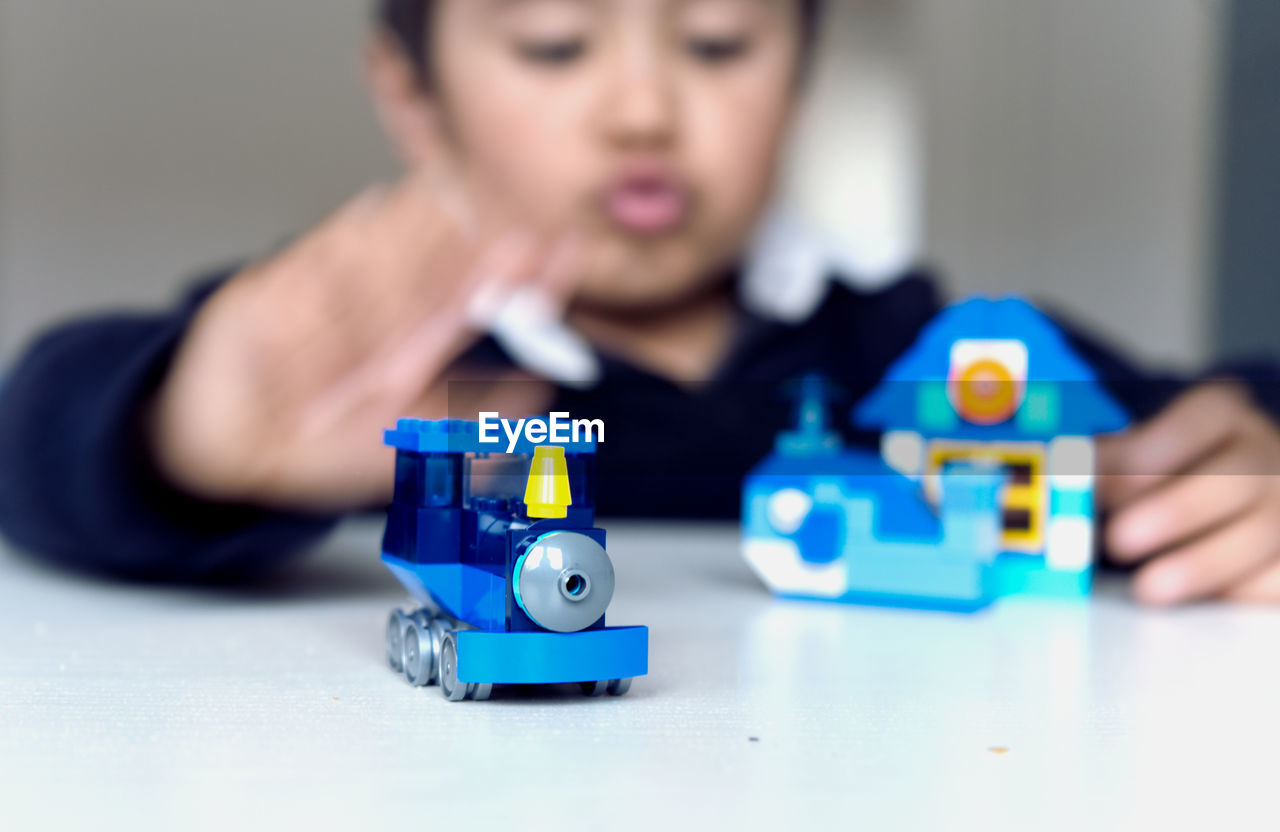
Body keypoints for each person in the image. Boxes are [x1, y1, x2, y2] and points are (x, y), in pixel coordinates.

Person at [2, 0, 1280, 606]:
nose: (642, 110)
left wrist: (1248, 469)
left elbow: (1208, 422)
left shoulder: (915, 347)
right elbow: (43, 438)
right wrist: (172, 436)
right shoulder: (347, 367)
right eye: (554, 45)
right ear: (410, 92)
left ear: (802, 73)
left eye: (718, 42)